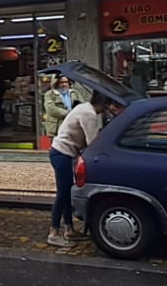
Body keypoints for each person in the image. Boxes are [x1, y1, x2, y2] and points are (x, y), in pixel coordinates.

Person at [48, 92, 117, 248]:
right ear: (103, 104)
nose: (107, 110)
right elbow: (92, 142)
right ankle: (53, 233)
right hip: (62, 154)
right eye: (107, 106)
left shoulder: (84, 107)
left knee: (65, 192)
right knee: (62, 194)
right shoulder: (89, 114)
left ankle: (69, 229)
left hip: (61, 152)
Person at [42, 74, 77, 139]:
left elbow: (81, 106)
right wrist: (68, 113)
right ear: (56, 83)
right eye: (61, 82)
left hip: (72, 126)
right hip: (57, 128)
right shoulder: (49, 94)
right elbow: (51, 109)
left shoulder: (74, 93)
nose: (64, 84)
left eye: (66, 82)